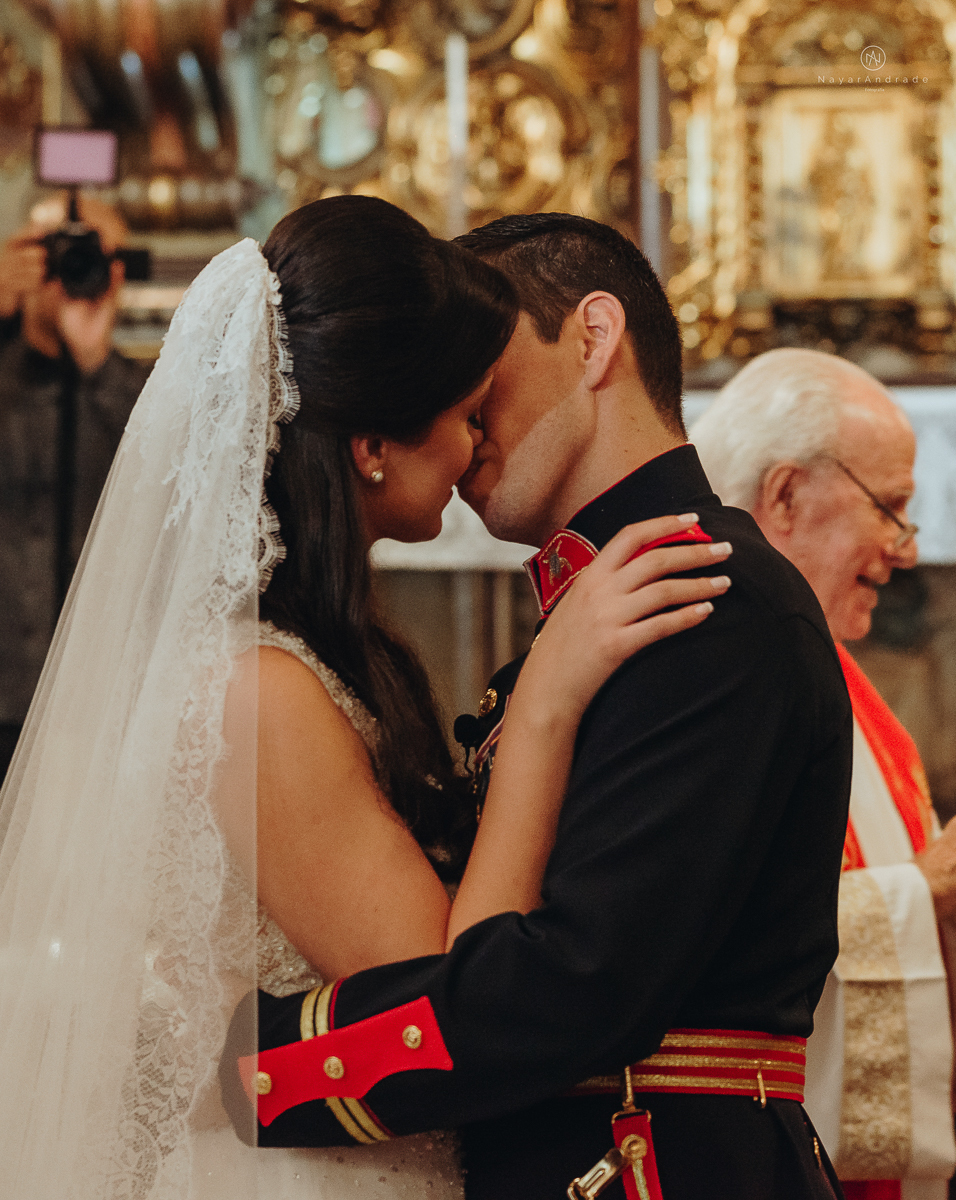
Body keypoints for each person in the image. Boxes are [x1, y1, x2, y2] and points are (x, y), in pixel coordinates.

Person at [0, 196, 729, 1200]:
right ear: (373, 443)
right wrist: (546, 704)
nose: (477, 447)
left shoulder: (308, 657)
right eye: (467, 413)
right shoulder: (260, 691)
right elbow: (452, 998)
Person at [221, 213, 854, 1200]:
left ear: (593, 338)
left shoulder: (709, 599)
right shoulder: (607, 609)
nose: (464, 415)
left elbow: (575, 982)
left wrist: (255, 1066)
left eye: (483, 371)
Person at [692, 346, 956, 1200]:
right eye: (889, 509)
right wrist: (928, 888)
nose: (904, 552)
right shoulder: (701, 676)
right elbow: (695, 958)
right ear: (783, 496)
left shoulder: (837, 681)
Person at [0, 194, 151, 779]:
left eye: (91, 252)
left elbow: (176, 482)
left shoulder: (138, 392)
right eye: (57, 248)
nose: (71, 267)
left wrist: (96, 362)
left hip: (95, 698)